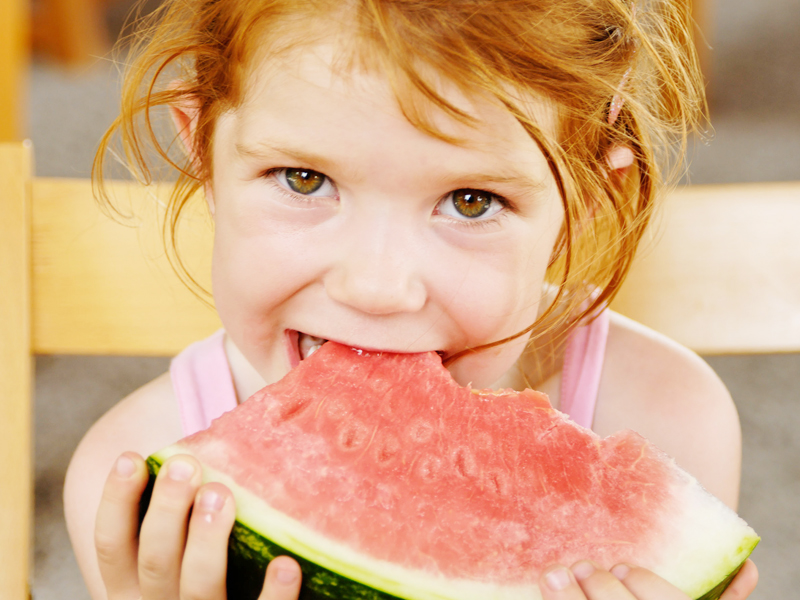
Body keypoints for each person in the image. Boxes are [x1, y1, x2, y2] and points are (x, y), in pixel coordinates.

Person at [64, 0, 759, 599]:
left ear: (584, 201)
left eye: (470, 200)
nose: (377, 287)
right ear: (202, 153)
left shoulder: (672, 418)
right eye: (303, 180)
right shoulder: (136, 479)